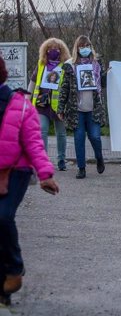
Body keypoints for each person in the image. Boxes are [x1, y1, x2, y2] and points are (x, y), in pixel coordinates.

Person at [0, 57, 59, 306]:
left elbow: (34, 142)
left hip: (16, 171)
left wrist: (45, 174)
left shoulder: (21, 106)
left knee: (2, 217)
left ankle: (14, 269)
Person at [57, 35, 106, 180]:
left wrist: (107, 73)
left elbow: (104, 84)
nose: (84, 49)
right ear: (77, 48)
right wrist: (60, 108)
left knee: (95, 137)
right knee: (79, 138)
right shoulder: (70, 65)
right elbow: (64, 88)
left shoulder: (97, 64)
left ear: (91, 47)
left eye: (87, 46)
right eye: (82, 46)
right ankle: (81, 168)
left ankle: (99, 157)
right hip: (76, 109)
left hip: (93, 108)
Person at [27, 38, 70, 171]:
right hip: (41, 104)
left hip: (59, 106)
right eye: (50, 48)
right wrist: (27, 99)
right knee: (42, 131)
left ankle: (61, 160)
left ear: (61, 51)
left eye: (57, 49)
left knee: (61, 133)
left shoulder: (66, 66)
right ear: (45, 50)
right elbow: (33, 83)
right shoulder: (41, 64)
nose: (53, 51)